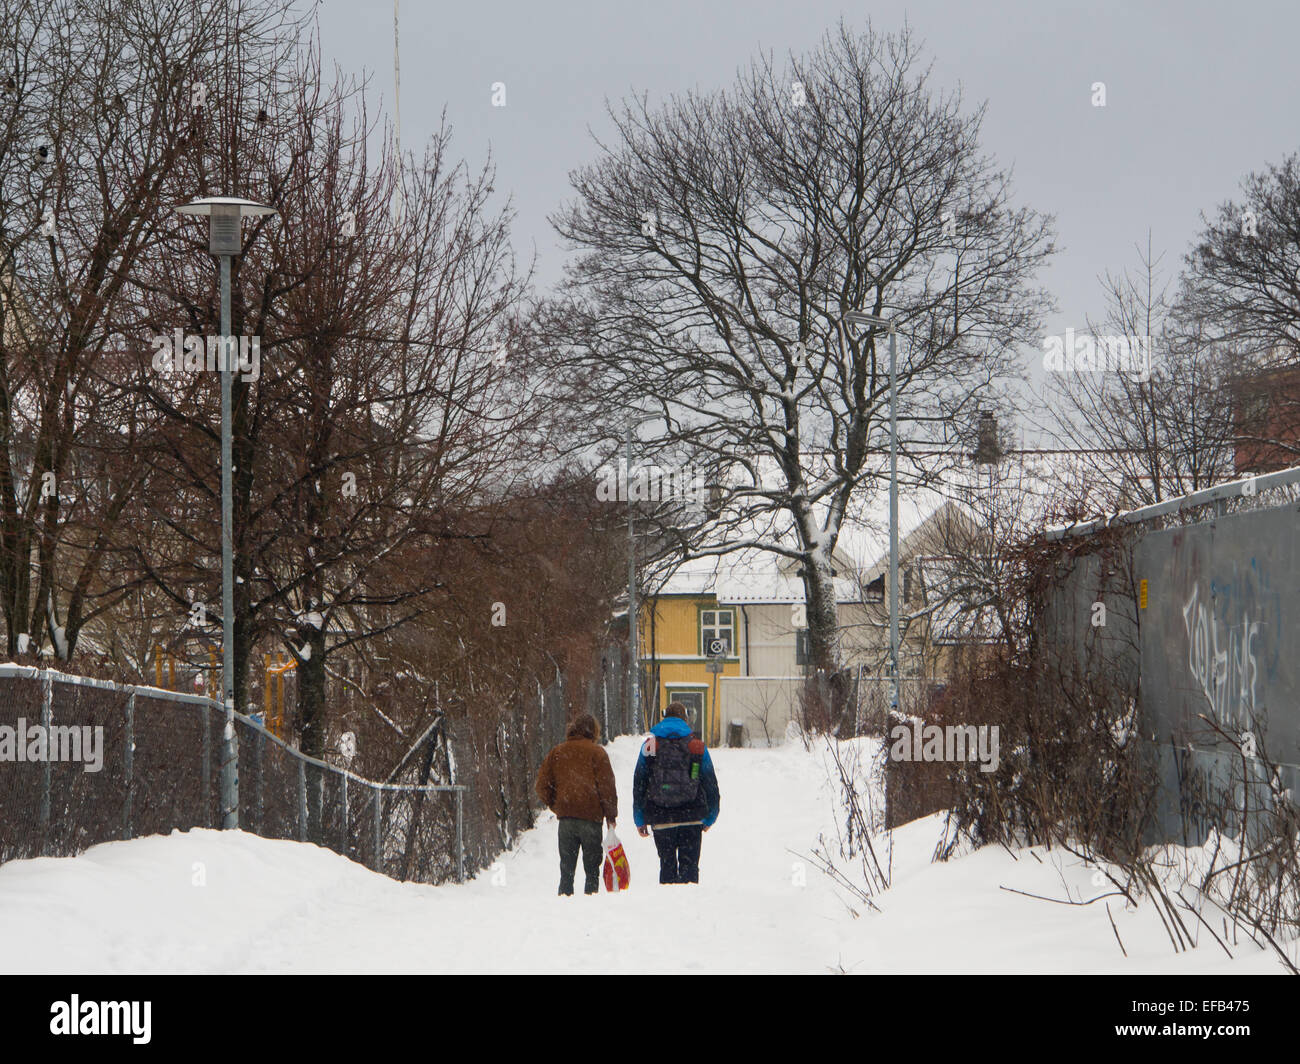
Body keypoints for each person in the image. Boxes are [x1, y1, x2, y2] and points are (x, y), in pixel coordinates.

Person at [632, 702, 721, 884]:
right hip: (692, 816)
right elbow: (710, 784)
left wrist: (640, 819)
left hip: (661, 816)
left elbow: (639, 784)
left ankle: (667, 907)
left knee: (667, 866)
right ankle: (689, 908)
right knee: (689, 870)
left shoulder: (650, 746)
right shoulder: (696, 746)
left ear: (665, 718)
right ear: (685, 720)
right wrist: (710, 817)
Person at [535, 713, 618, 896]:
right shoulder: (597, 753)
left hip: (566, 820)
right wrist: (610, 816)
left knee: (566, 871)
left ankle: (564, 905)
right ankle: (590, 905)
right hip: (591, 820)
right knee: (592, 871)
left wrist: (557, 805)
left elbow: (541, 786)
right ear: (593, 731)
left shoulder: (558, 752)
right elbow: (607, 787)